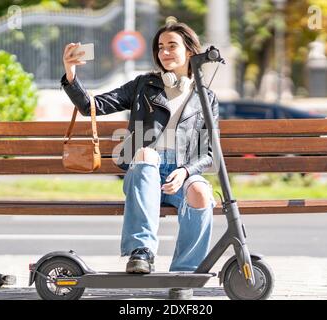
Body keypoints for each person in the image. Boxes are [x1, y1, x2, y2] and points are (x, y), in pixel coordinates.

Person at [61, 22, 219, 276]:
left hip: (181, 175)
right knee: (146, 153)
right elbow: (93, 106)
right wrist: (71, 74)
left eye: (172, 46)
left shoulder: (206, 96)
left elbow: (208, 153)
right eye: (160, 47)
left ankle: (186, 273)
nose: (164, 52)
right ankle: (141, 252)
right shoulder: (143, 85)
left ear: (190, 51)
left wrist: (186, 172)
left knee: (200, 191)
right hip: (145, 170)